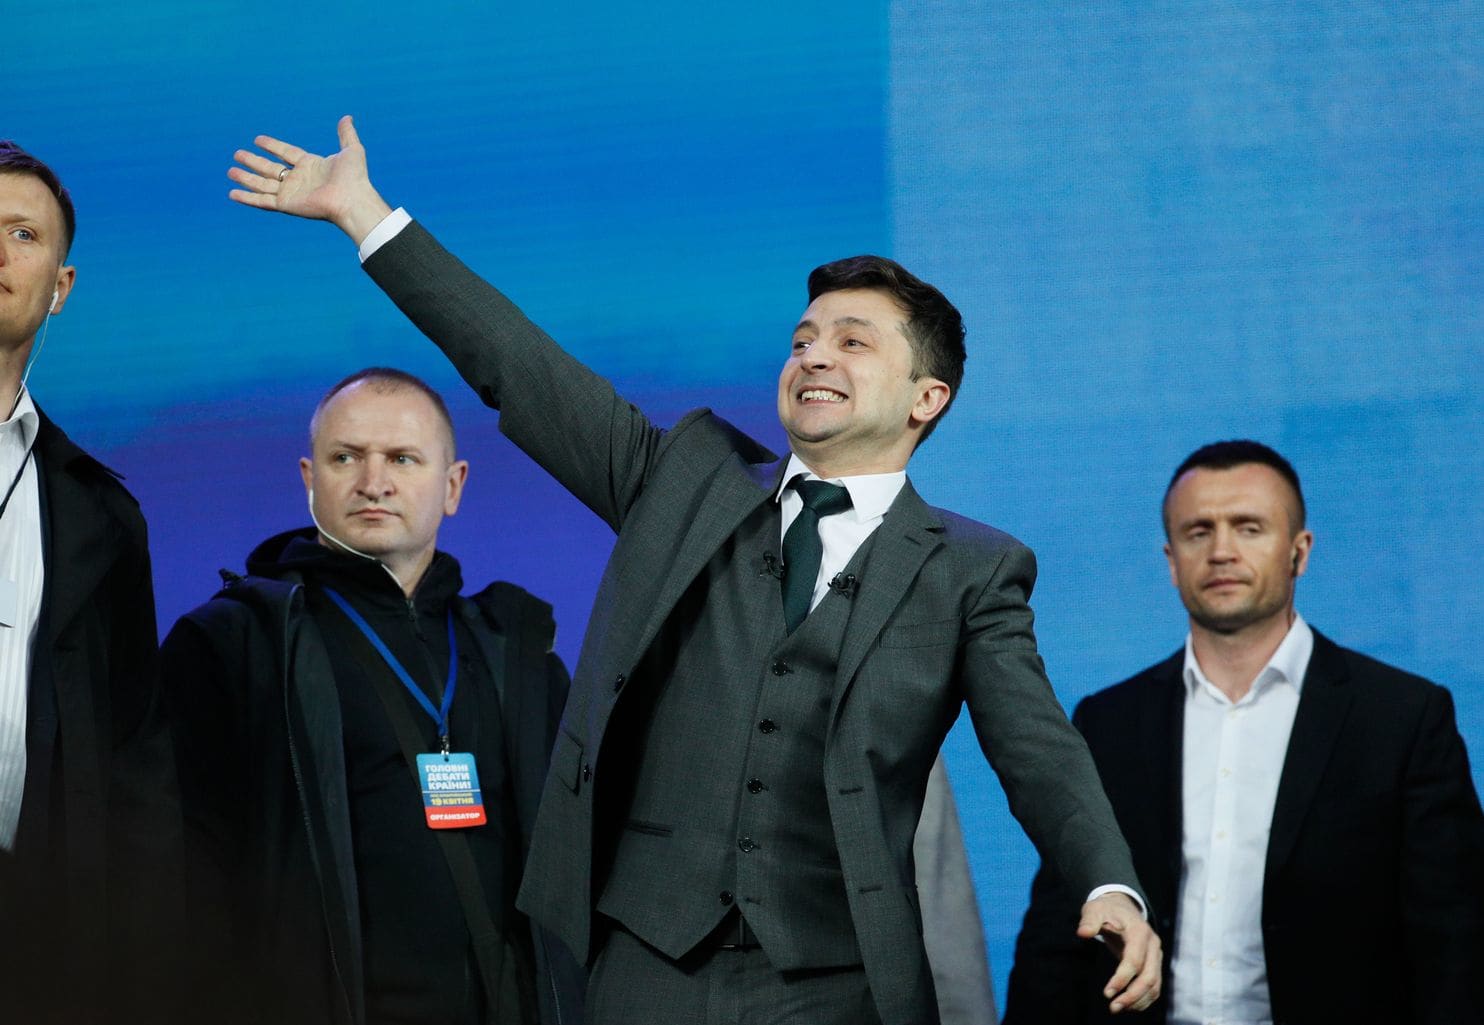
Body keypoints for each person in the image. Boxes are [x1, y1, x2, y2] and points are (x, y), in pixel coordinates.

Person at [225, 116, 1162, 1025]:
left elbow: (1037, 748)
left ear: (929, 396)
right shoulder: (686, 479)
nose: (814, 355)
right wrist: (368, 217)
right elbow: (517, 364)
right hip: (647, 965)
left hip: (839, 978)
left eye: (852, 341)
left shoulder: (972, 566)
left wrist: (1107, 880)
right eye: (803, 338)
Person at [1004, 440, 1484, 1024]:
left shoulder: (1403, 718)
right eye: (1198, 531)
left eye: (1249, 527)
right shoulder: (1109, 723)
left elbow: (1454, 941)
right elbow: (1060, 932)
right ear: (1171, 559)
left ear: (1299, 552)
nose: (1222, 550)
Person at [161, 368, 584, 1025]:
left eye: (402, 458)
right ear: (309, 479)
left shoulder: (519, 658)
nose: (373, 481)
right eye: (345, 457)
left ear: (453, 486)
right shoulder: (231, 647)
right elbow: (179, 887)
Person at [0, 140, 181, 1023]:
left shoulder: (101, 515)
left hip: (40, 935)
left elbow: (136, 762)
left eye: (22, 232)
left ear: (59, 288)